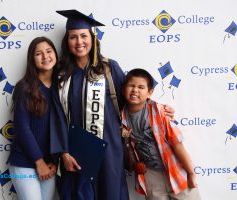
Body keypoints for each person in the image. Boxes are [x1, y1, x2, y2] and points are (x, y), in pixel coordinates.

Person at [51, 9, 175, 200]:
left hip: (108, 149)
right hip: (76, 152)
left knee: (110, 193)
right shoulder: (61, 75)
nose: (79, 42)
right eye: (73, 37)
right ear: (66, 42)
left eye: (84, 36)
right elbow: (57, 117)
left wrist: (156, 108)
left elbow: (131, 97)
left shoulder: (108, 68)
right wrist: (64, 153)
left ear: (92, 39)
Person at [121, 68, 201, 200]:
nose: (135, 90)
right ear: (124, 89)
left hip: (175, 169)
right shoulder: (120, 116)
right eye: (131, 86)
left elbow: (177, 145)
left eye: (141, 87)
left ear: (149, 93)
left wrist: (191, 173)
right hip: (150, 174)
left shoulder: (160, 112)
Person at [8, 36, 59, 200]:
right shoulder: (24, 87)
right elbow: (22, 129)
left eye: (49, 51)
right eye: (39, 53)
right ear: (32, 59)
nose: (45, 57)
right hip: (25, 163)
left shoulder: (61, 87)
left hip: (49, 164)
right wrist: (39, 162)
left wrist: (53, 161)